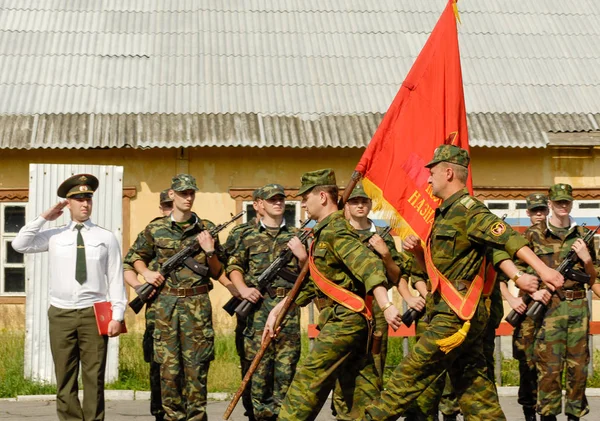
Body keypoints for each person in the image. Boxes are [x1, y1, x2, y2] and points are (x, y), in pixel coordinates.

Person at [356, 145, 564, 421]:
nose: (428, 180)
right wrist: (418, 253)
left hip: (457, 314)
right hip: (447, 308)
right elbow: (440, 269)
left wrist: (541, 271)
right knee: (475, 390)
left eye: (432, 173)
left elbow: (506, 238)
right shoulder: (443, 214)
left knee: (409, 374)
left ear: (449, 172)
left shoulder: (469, 210)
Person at [263, 169, 404, 420]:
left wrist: (387, 304)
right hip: (353, 321)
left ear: (322, 196)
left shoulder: (335, 231)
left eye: (306, 197)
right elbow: (313, 283)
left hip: (345, 321)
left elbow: (368, 265)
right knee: (360, 392)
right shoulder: (325, 230)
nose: (303, 203)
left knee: (306, 385)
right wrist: (278, 310)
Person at [12, 173, 127, 421]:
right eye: (78, 199)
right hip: (61, 313)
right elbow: (19, 244)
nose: (85, 204)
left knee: (94, 378)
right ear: (68, 203)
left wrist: (117, 315)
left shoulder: (105, 237)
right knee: (65, 377)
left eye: (88, 199)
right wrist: (44, 217)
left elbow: (116, 277)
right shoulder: (55, 236)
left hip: (94, 313)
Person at [124, 174, 224, 421]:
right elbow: (133, 258)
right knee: (168, 372)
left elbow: (217, 270)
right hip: (165, 308)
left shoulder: (207, 228)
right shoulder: (155, 228)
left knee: (197, 370)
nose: (188, 198)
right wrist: (146, 273)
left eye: (191, 193)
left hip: (197, 307)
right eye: (183, 193)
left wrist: (209, 250)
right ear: (172, 195)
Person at [227, 183, 307, 421]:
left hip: (287, 313)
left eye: (281, 198)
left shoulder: (296, 236)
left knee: (286, 370)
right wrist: (242, 289)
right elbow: (233, 265)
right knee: (257, 372)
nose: (278, 202)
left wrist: (302, 256)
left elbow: (309, 275)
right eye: (272, 199)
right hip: (257, 312)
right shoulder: (245, 235)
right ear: (258, 204)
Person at [522, 184, 599, 421]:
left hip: (577, 308)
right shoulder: (534, 235)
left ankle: (575, 415)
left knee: (578, 368)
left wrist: (586, 260)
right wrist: (534, 292)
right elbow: (519, 271)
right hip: (549, 307)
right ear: (550, 205)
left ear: (572, 203)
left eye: (566, 202)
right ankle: (547, 415)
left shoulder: (582, 235)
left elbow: (594, 278)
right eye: (558, 203)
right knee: (549, 368)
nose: (563, 206)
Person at [122, 188, 174, 421]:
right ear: (161, 207)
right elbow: (129, 264)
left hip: (184, 311)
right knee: (157, 368)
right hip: (158, 314)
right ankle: (159, 413)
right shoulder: (152, 231)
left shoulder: (194, 229)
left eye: (173, 205)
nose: (170, 210)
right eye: (166, 205)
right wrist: (141, 283)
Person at [498, 192, 550, 421]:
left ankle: (548, 411)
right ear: (528, 213)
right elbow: (498, 276)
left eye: (542, 210)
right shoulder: (521, 242)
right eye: (534, 210)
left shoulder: (558, 238)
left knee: (551, 366)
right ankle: (529, 412)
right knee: (527, 364)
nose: (539, 214)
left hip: (553, 313)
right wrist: (511, 298)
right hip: (528, 313)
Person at [222, 186, 265, 421]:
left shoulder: (287, 234)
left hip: (272, 306)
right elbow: (222, 263)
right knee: (248, 361)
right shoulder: (240, 233)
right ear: (257, 205)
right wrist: (236, 289)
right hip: (247, 309)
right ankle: (251, 412)